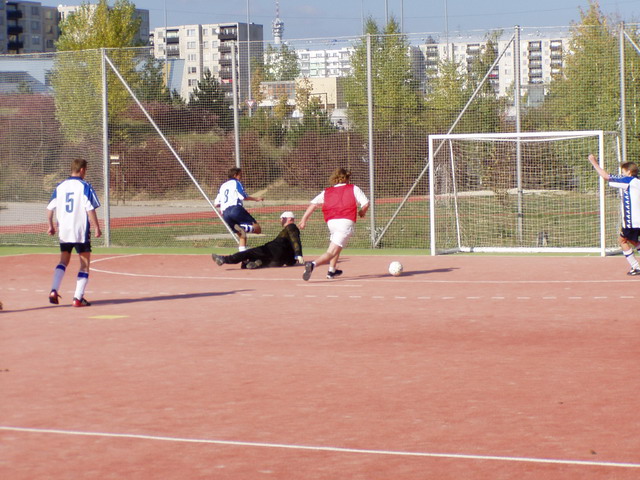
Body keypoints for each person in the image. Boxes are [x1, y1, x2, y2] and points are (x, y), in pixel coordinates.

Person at [46, 158, 102, 307]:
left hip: (64, 231)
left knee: (63, 261)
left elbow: (50, 208)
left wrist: (50, 225)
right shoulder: (85, 186)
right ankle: (78, 298)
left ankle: (53, 290)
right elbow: (90, 208)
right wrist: (97, 227)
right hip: (79, 231)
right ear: (82, 170)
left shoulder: (60, 186)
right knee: (84, 264)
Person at [299, 167, 369, 280]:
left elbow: (313, 205)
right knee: (331, 252)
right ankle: (312, 265)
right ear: (347, 178)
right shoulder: (353, 188)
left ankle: (331, 271)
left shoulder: (327, 191)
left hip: (331, 222)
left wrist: (303, 219)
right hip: (345, 222)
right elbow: (366, 203)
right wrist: (362, 212)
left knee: (337, 246)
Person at [588, 153, 640, 275]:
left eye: (623, 172)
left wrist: (594, 162)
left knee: (622, 241)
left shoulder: (628, 180)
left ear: (629, 172)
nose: (622, 174)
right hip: (637, 219)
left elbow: (606, 176)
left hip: (631, 220)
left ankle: (636, 266)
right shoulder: (638, 181)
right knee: (633, 241)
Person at [212, 211, 304, 269]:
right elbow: (290, 260)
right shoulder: (291, 231)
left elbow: (295, 240)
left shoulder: (291, 227)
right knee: (254, 260)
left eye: (282, 219)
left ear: (289, 219)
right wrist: (294, 258)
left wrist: (298, 254)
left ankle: (224, 259)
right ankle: (257, 263)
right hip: (279, 259)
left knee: (249, 253)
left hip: (272, 249)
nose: (281, 220)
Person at [214, 167, 263, 251]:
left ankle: (242, 254)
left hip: (225, 214)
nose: (241, 176)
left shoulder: (223, 186)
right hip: (235, 209)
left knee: (242, 235)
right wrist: (256, 199)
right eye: (240, 174)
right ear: (235, 175)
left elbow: (216, 204)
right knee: (258, 229)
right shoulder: (236, 183)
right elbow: (243, 196)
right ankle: (243, 227)